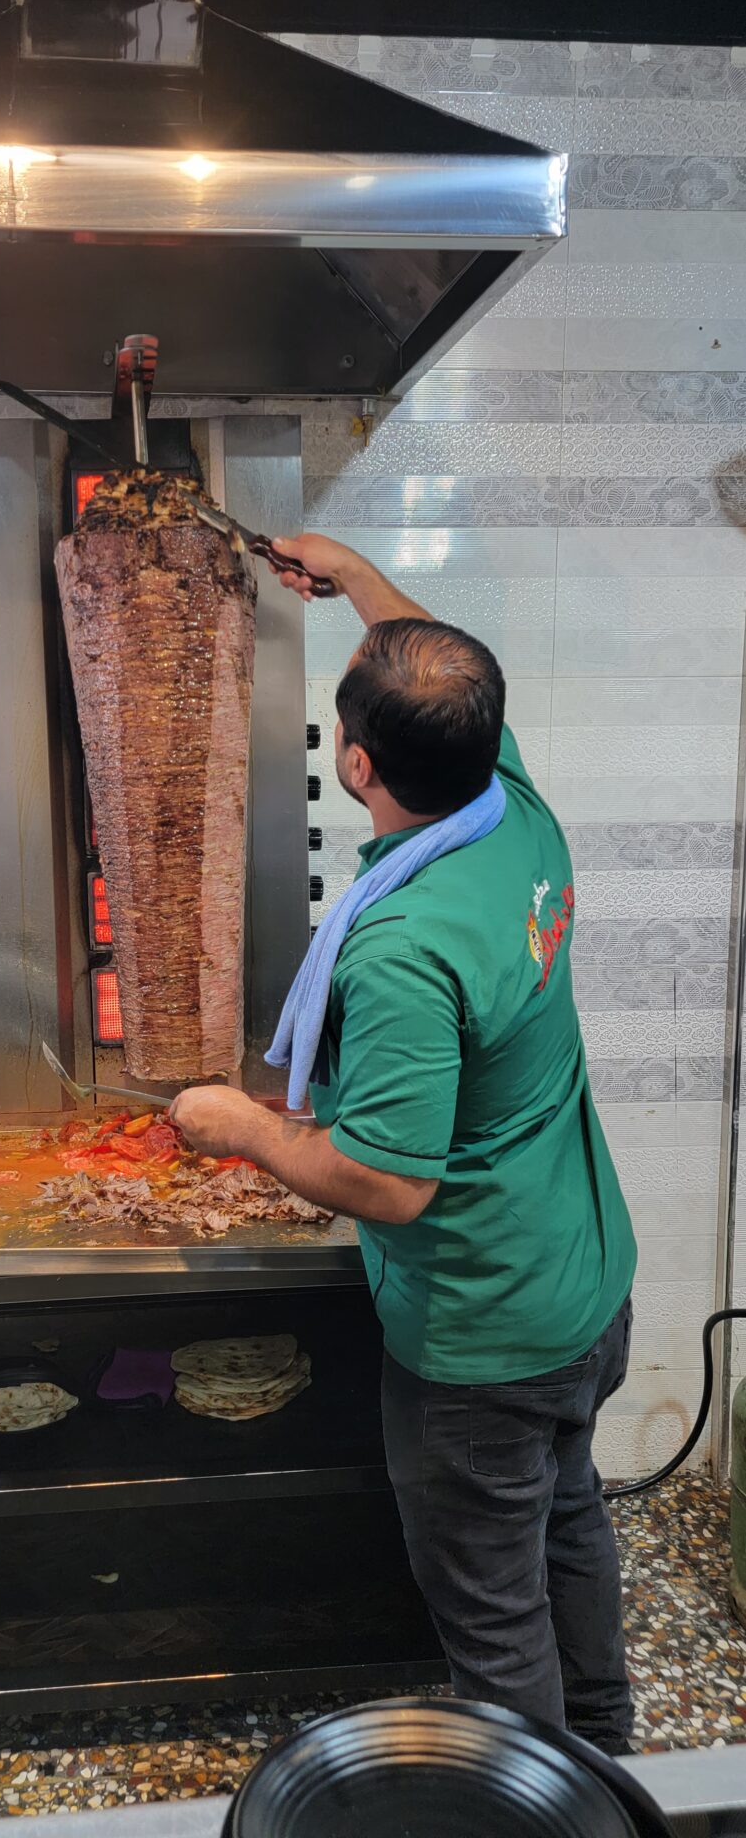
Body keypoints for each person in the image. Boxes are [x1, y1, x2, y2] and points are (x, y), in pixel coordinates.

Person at [170, 532, 638, 1756]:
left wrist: (245, 1127)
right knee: (568, 1518)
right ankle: (605, 1758)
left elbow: (388, 1181)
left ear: (358, 764)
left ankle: (531, 1797)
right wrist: (359, 575)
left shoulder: (405, 948)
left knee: (491, 1615)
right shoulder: (514, 811)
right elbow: (448, 673)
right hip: (587, 1283)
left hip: (485, 1332)